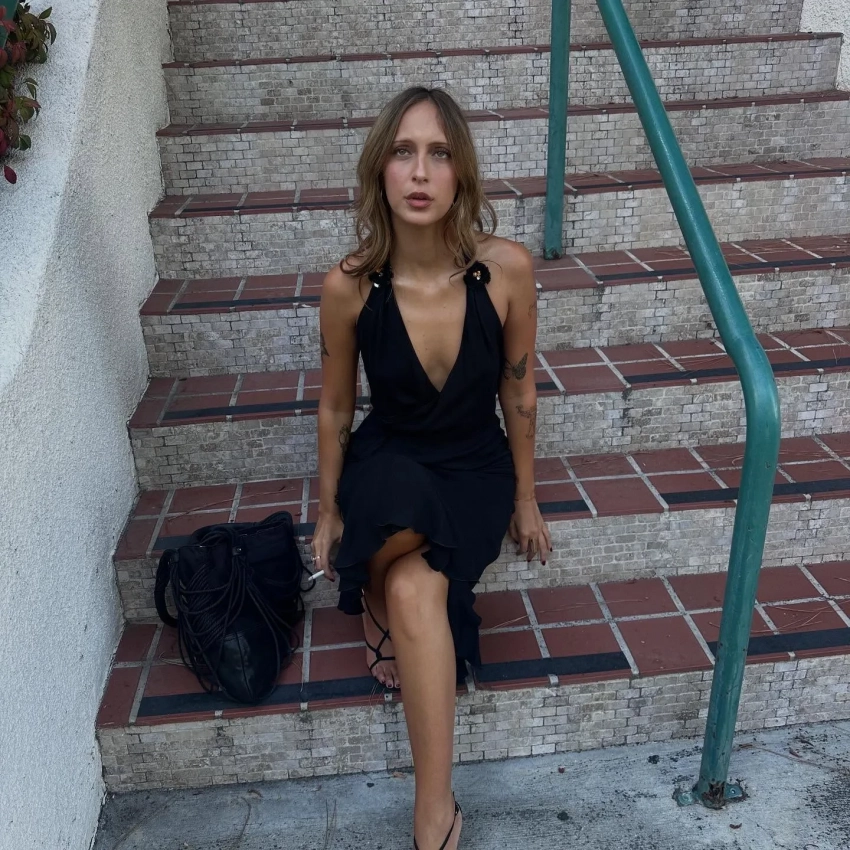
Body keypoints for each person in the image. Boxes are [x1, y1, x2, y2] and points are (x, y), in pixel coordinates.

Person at [310, 85, 551, 850]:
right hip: (391, 458)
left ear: (461, 172)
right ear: (380, 170)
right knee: (393, 497)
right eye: (403, 152)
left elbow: (519, 390)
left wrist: (526, 497)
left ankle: (433, 812)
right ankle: (435, 818)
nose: (420, 172)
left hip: (473, 467)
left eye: (439, 154)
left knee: (416, 587)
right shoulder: (350, 285)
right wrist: (328, 508)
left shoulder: (506, 270)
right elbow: (335, 405)